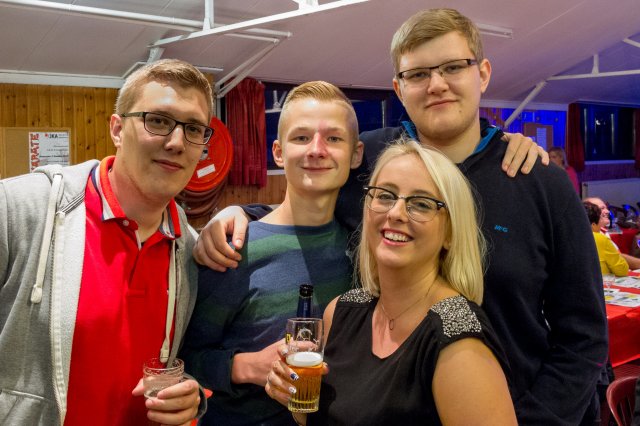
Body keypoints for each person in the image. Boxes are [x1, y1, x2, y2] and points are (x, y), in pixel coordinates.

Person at [196, 8, 607, 425]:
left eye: (453, 67)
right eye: (418, 74)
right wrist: (239, 213)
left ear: (482, 74)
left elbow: (584, 337)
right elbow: (309, 187)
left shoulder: (539, 181)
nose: (437, 84)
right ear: (399, 87)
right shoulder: (372, 160)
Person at [0, 59, 210, 425]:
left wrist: (188, 394)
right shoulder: (19, 209)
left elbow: (184, 361)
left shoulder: (190, 250)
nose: (177, 142)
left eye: (193, 128)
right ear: (117, 129)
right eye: (158, 121)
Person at [265, 140, 516, 425]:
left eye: (421, 204)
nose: (395, 213)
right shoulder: (342, 311)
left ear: (450, 232)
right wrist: (293, 395)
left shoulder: (458, 341)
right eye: (385, 196)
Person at [180, 81, 362, 425]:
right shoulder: (234, 247)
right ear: (278, 152)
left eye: (334, 139)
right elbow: (184, 357)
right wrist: (245, 366)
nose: (317, 150)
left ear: (355, 154)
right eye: (301, 137)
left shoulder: (363, 250)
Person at [585, 196, 640, 270]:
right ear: (590, 212)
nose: (608, 211)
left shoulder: (602, 232)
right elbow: (619, 264)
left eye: (606, 208)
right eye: (602, 208)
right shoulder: (592, 237)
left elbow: (617, 256)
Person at [584, 201, 629, 276]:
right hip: (599, 281)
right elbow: (622, 270)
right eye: (600, 218)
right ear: (593, 225)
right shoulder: (599, 238)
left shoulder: (567, 236)